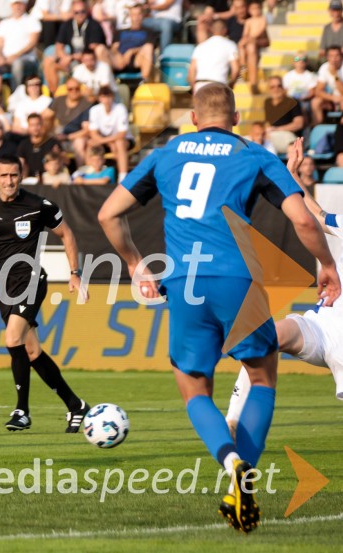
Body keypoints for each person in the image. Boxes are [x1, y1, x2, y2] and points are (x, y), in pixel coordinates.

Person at [97, 83, 340, 533]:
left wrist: (135, 264)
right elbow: (304, 220)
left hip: (184, 282)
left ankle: (229, 462)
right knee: (263, 376)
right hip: (237, 280)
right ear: (234, 118)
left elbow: (108, 213)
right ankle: (244, 467)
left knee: (193, 386)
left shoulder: (166, 154)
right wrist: (326, 265)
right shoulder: (253, 153)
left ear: (192, 117)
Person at [0, 154, 90, 432]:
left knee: (12, 340)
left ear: (20, 176)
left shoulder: (38, 205)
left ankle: (22, 411)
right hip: (5, 285)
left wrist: (74, 272)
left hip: (32, 278)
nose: (9, 181)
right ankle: (75, 405)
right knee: (32, 352)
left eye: (14, 175)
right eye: (4, 175)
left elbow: (67, 235)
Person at [226, 138, 343, 431]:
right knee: (266, 336)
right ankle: (233, 422)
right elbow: (317, 215)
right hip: (319, 325)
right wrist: (291, 175)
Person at [87, 85, 131, 184]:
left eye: (108, 97)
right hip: (108, 141)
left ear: (113, 97)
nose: (106, 100)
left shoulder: (120, 108)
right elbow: (93, 134)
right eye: (103, 97)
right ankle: (88, 173)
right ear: (99, 98)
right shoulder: (94, 110)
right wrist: (109, 144)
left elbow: (122, 134)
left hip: (121, 141)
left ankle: (123, 177)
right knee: (89, 143)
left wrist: (106, 142)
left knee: (119, 143)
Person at [16, 112, 61, 181]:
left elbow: (65, 162)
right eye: (32, 125)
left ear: (42, 125)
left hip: (49, 179)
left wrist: (58, 155)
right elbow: (20, 162)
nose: (35, 128)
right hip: (29, 179)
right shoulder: (24, 144)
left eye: (38, 124)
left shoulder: (52, 142)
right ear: (28, 126)